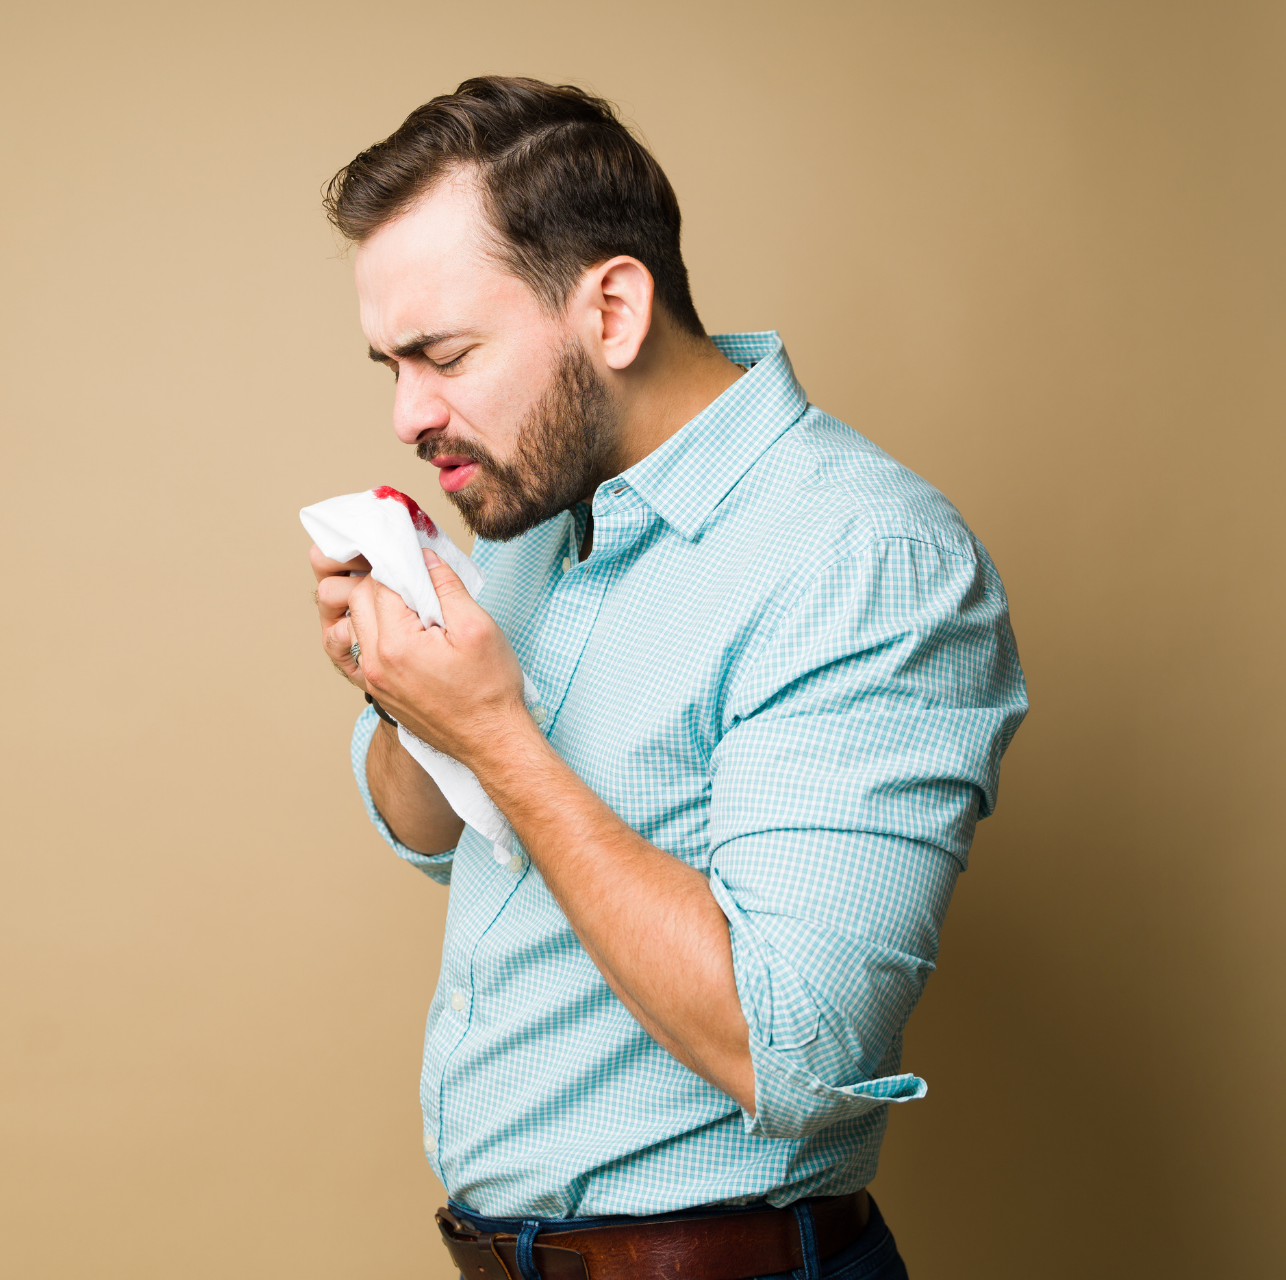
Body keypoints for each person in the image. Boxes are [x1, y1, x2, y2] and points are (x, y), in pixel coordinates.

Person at [308, 76, 1026, 1280]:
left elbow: (795, 1049)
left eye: (444, 355)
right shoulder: (530, 506)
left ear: (616, 309)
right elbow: (430, 830)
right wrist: (402, 691)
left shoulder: (862, 559)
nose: (406, 415)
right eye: (389, 362)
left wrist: (497, 738)